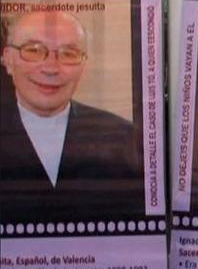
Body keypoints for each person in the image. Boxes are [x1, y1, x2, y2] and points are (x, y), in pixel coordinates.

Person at [0, 11, 143, 223]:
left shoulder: (123, 137)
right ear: (7, 60)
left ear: (83, 65)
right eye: (33, 50)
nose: (50, 68)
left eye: (69, 54)